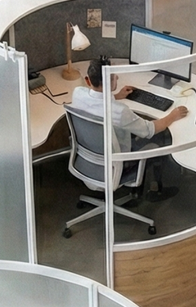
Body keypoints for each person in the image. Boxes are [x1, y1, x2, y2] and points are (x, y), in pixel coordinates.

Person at [71, 58, 189, 201]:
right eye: (115, 76)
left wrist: (116, 96)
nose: (118, 77)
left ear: (88, 80)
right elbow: (151, 129)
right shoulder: (120, 112)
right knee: (161, 137)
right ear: (111, 82)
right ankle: (154, 191)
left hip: (86, 161)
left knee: (134, 133)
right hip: (115, 168)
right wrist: (173, 115)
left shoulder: (78, 93)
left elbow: (97, 102)